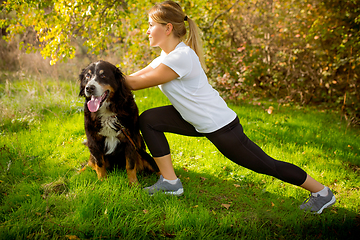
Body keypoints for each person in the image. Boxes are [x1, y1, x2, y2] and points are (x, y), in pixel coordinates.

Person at [124, 0, 335, 214]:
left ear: (167, 28)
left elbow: (134, 84)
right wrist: (104, 78)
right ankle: (170, 183)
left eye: (151, 25)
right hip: (194, 119)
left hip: (220, 126)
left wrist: (100, 76)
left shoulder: (181, 57)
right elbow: (131, 77)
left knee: (267, 165)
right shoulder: (166, 56)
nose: (147, 30)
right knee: (149, 120)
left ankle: (322, 192)